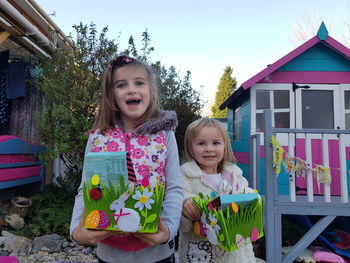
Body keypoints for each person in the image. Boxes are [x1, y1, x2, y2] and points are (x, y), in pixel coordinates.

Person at [70, 55, 183, 263]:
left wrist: (167, 231)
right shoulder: (98, 137)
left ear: (150, 89)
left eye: (139, 82)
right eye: (121, 85)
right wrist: (76, 230)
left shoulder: (165, 134)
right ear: (111, 94)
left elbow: (174, 188)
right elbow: (85, 188)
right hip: (109, 253)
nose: (131, 89)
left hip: (157, 253)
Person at [179, 118, 256, 263]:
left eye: (216, 143)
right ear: (190, 147)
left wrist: (250, 199)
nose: (209, 148)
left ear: (225, 146)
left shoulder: (235, 174)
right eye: (201, 143)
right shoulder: (185, 176)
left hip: (237, 256)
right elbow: (176, 199)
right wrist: (185, 201)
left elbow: (248, 198)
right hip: (202, 252)